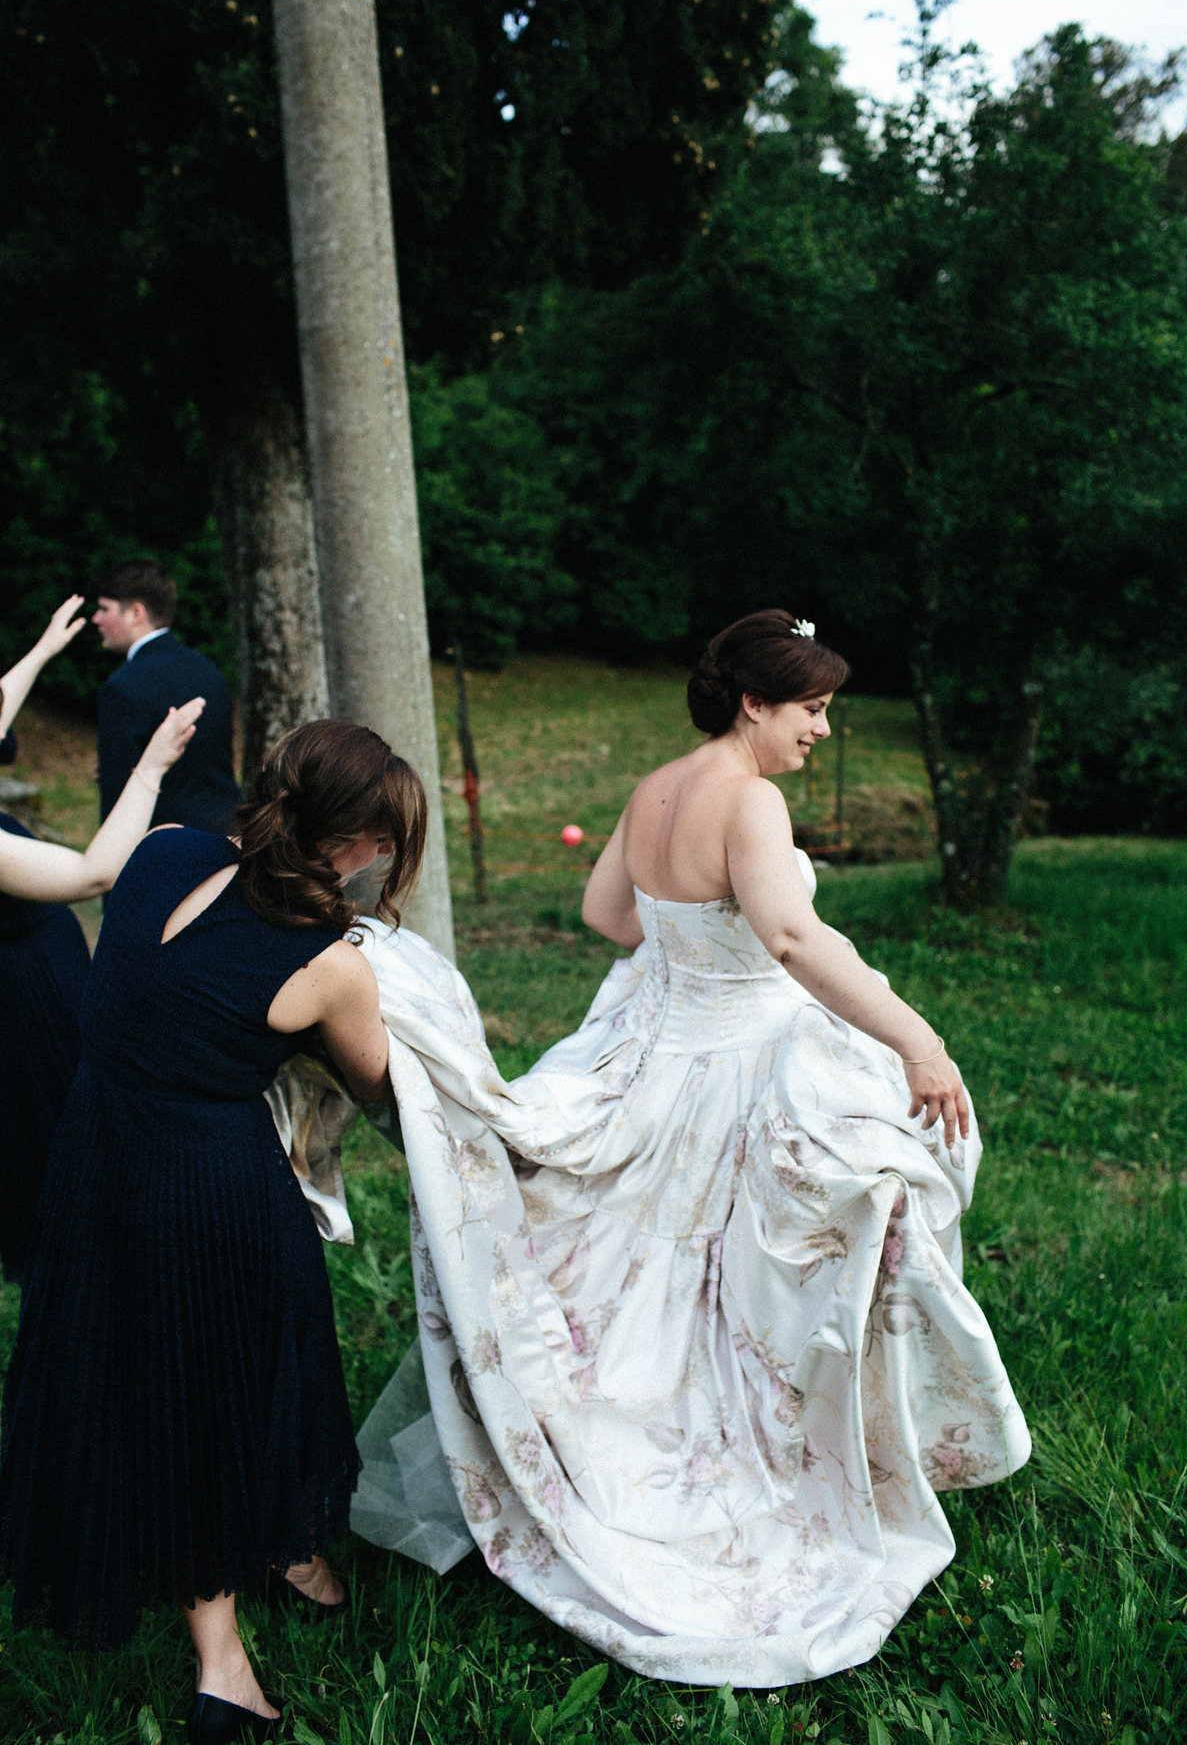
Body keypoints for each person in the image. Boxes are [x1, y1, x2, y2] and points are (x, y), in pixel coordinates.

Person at [325, 609, 1031, 1687]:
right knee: (756, 1262)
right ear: (756, 701)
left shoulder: (657, 785)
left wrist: (693, 941)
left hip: (656, 1047)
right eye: (813, 709)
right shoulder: (750, 798)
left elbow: (607, 911)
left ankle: (593, 1441)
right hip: (742, 1056)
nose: (824, 731)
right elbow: (794, 939)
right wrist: (916, 1040)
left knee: (637, 1270)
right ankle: (760, 1471)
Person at [0, 720, 427, 1745]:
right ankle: (223, 1666)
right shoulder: (331, 963)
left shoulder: (162, 853)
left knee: (231, 1342)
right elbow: (380, 1091)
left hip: (91, 1162)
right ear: (353, 844)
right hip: (201, 1187)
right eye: (382, 843)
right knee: (213, 1385)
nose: (381, 861)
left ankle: (284, 1542)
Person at [0, 594, 204, 1282]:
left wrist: (45, 648)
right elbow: (92, 874)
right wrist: (150, 768)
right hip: (24, 998)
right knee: (54, 1130)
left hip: (46, 969)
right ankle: (70, 1267)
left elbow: (1, 698)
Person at [93, 559, 241, 833]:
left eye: (104, 609)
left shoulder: (122, 688)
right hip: (228, 833)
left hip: (164, 844)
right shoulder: (208, 669)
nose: (96, 619)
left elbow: (116, 804)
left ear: (136, 613)